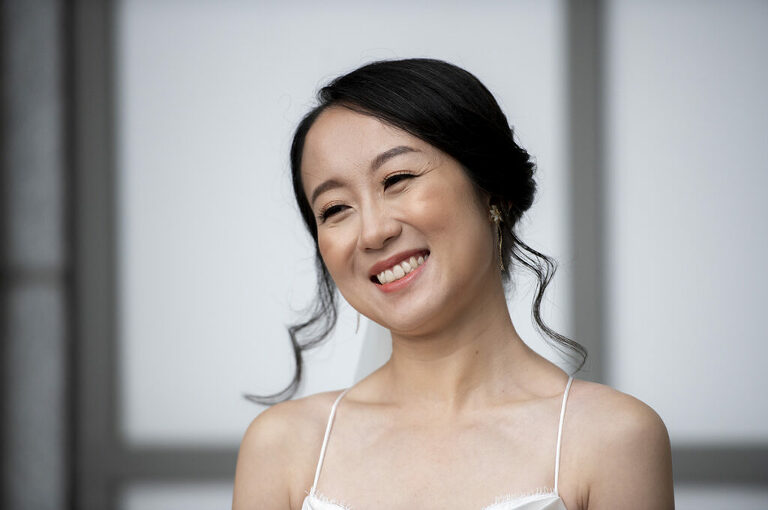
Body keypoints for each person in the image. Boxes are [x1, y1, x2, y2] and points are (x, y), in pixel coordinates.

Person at [232, 58, 674, 510]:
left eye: (397, 179)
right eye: (335, 209)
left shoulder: (611, 438)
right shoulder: (282, 449)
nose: (372, 232)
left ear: (491, 192)